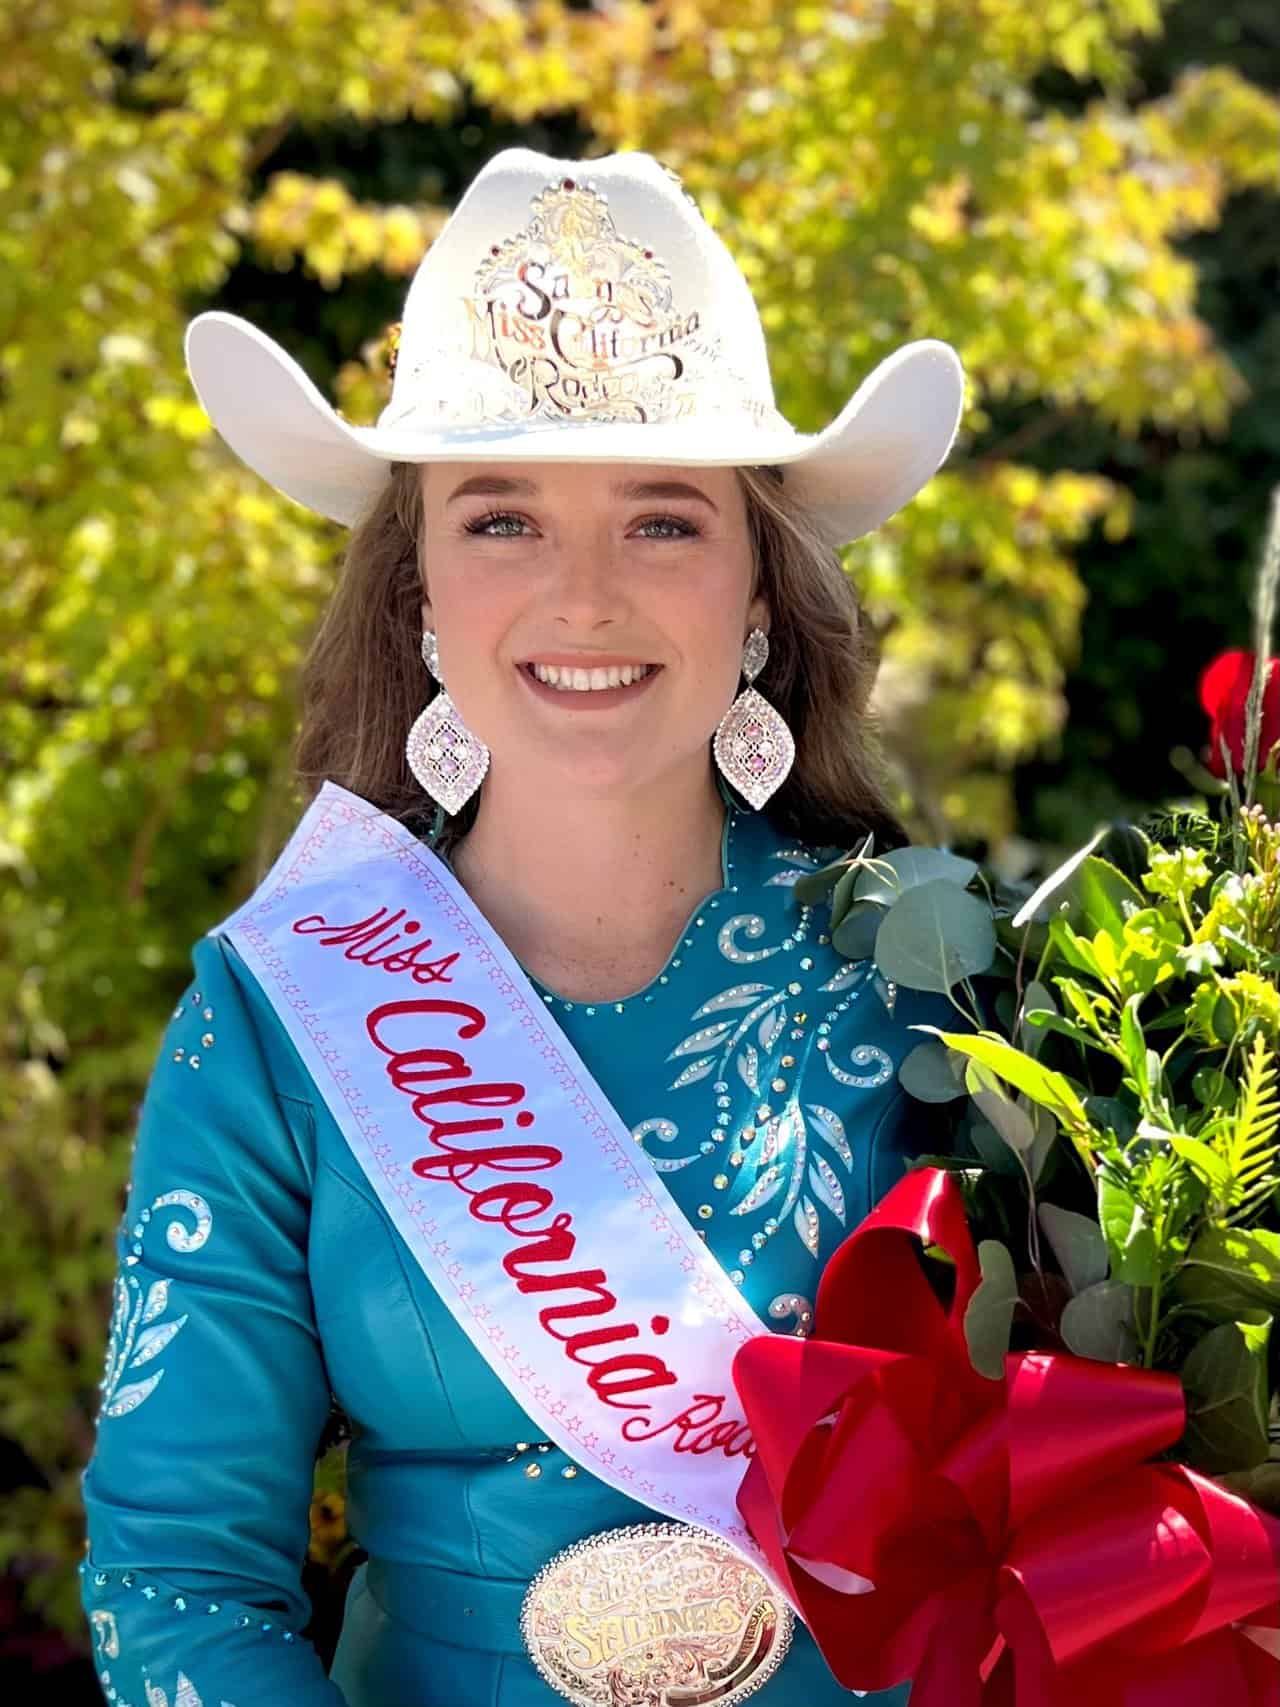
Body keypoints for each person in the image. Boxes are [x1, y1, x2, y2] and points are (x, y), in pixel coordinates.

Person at [78, 147, 966, 1707]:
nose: (584, 597)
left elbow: (1080, 1514)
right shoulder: (276, 1018)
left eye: (665, 522)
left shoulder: (935, 992)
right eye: (501, 520)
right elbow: (178, 1582)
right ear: (414, 587)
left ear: (760, 591)